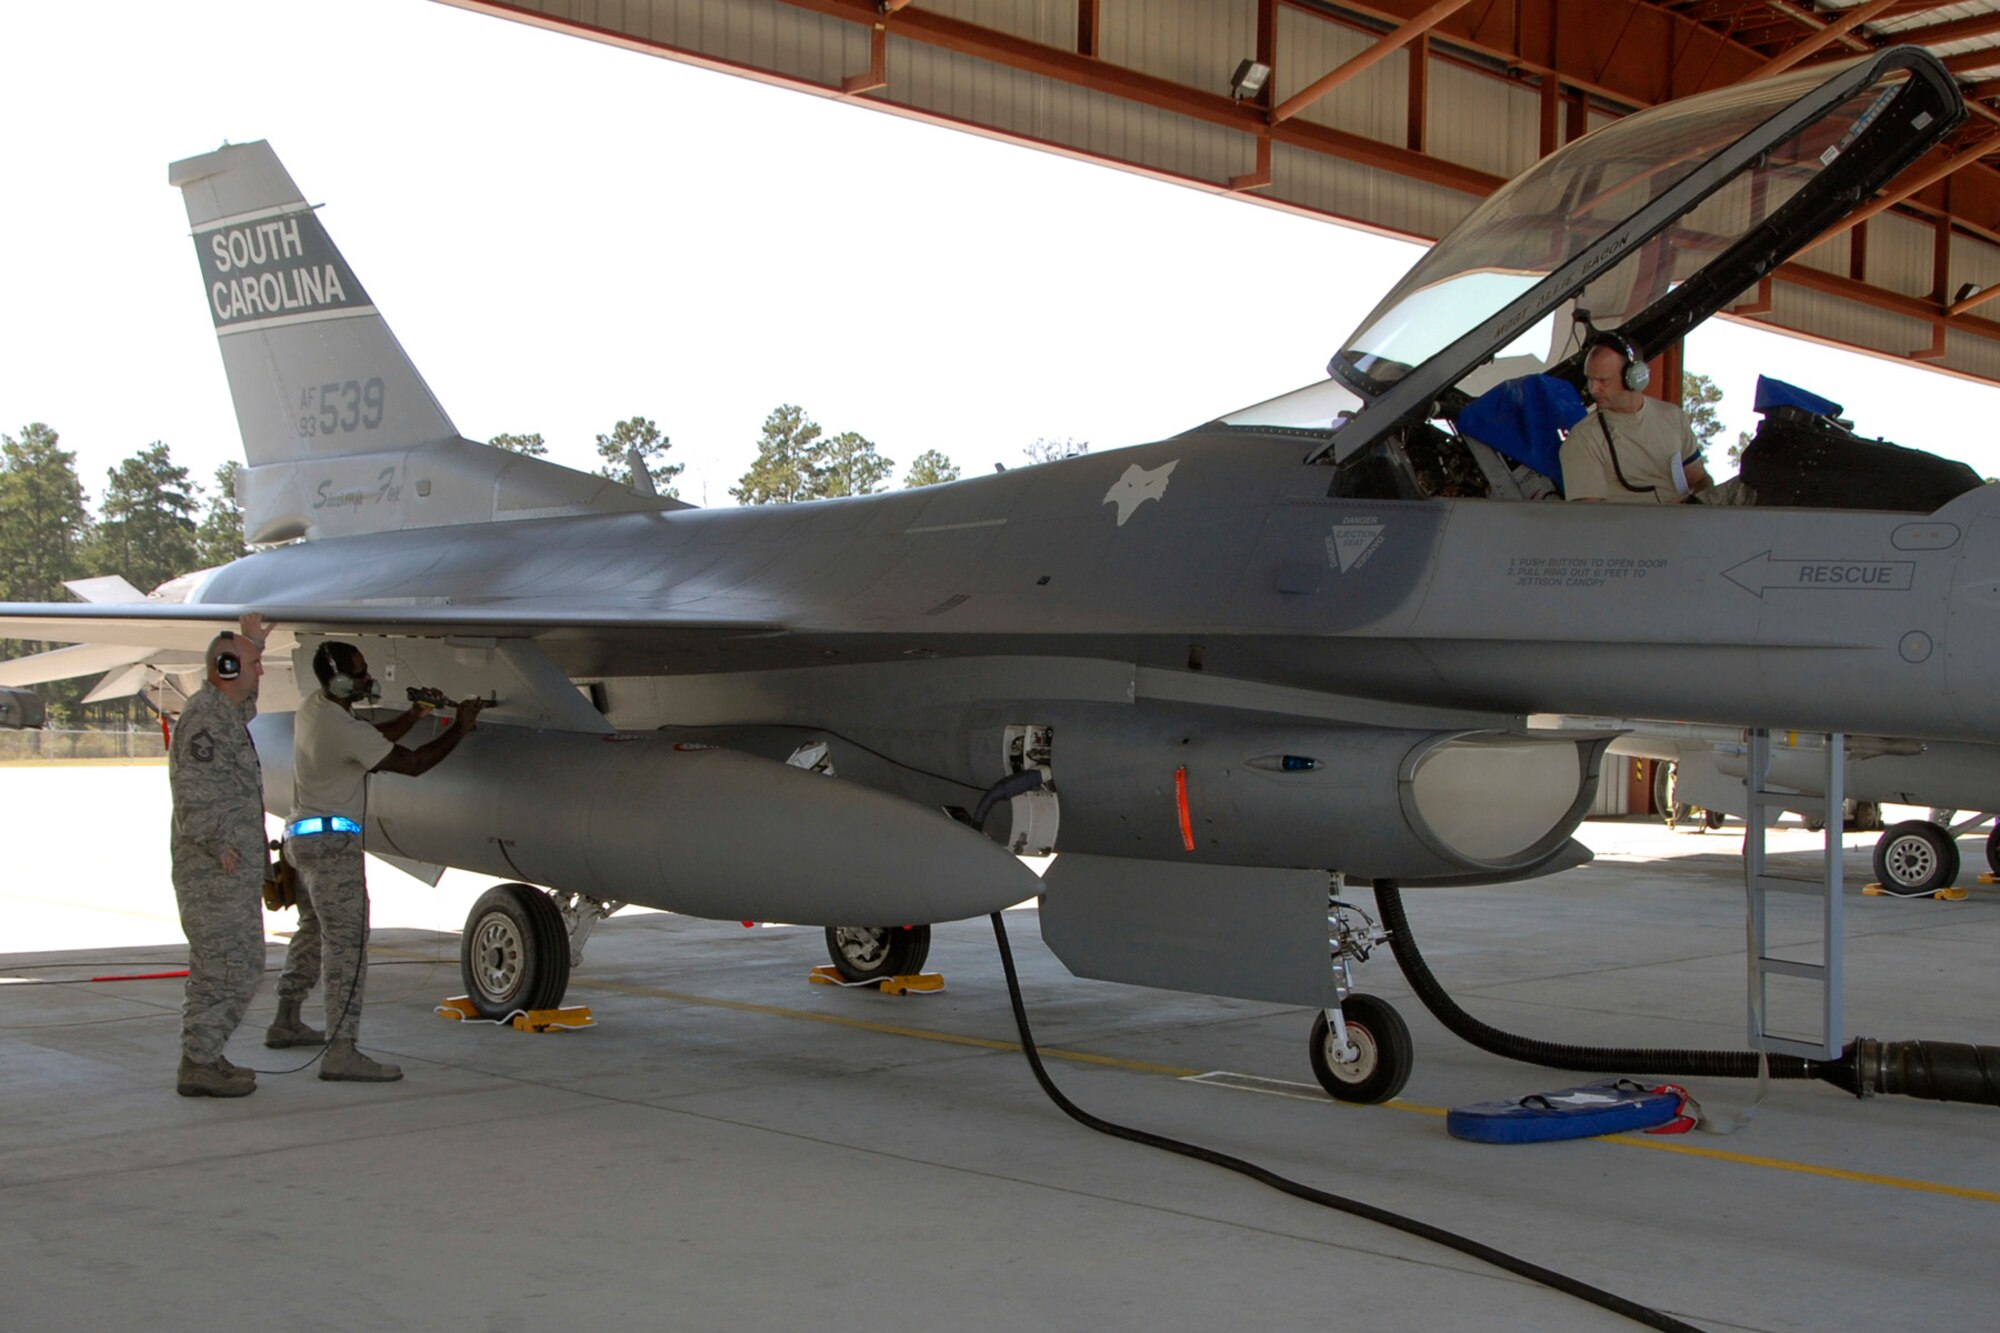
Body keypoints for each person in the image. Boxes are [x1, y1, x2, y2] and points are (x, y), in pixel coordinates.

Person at [272, 641, 483, 1081]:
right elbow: (413, 764)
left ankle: (286, 1018)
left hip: (301, 840)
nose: (369, 680)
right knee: (347, 947)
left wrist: (417, 714)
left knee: (313, 931)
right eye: (362, 673)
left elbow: (372, 741)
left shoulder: (315, 707)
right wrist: (460, 727)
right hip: (332, 849)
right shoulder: (343, 728)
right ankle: (341, 1051)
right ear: (342, 681)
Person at [168, 613, 270, 1097]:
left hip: (233, 866)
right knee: (221, 966)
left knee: (244, 963)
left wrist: (254, 641)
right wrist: (217, 846)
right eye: (252, 663)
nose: (260, 671)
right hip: (213, 869)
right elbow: (192, 796)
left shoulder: (224, 712)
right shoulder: (204, 719)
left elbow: (248, 705)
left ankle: (208, 1053)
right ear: (226, 668)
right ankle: (198, 1063)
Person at [1559, 333, 1713, 504]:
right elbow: (1587, 518)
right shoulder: (1583, 438)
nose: (1593, 389)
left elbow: (1699, 479)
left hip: (1685, 525)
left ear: (1633, 377)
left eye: (1603, 381)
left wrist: (1697, 502)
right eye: (1590, 380)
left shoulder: (1673, 417)